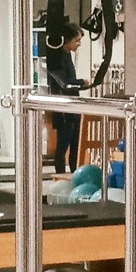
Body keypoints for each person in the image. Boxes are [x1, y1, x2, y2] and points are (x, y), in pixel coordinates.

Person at [44, 28, 83, 175]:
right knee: (63, 144)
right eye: (76, 41)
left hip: (73, 105)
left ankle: (75, 172)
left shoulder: (67, 56)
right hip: (64, 109)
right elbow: (65, 81)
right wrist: (81, 82)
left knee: (75, 143)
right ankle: (60, 173)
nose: (78, 44)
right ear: (67, 40)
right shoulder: (58, 58)